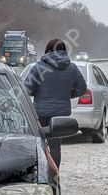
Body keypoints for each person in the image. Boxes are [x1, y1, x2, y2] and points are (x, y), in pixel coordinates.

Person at [22, 38, 87, 167]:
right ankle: (54, 175)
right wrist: (68, 94)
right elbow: (82, 88)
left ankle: (41, 173)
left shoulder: (40, 67)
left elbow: (27, 88)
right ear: (64, 50)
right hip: (61, 114)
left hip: (41, 112)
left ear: (48, 50)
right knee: (56, 146)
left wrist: (38, 92)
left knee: (39, 143)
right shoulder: (72, 68)